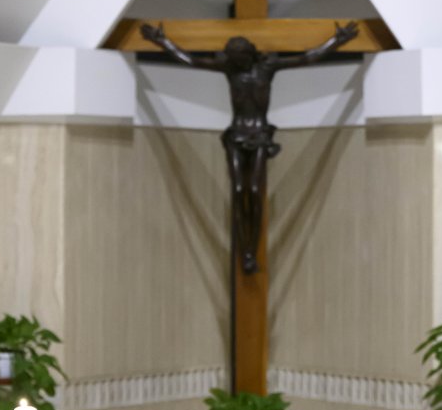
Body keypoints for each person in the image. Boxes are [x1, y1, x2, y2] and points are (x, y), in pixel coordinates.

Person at [141, 21, 359, 273]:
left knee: (254, 190)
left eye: (239, 59)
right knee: (237, 190)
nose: (236, 63)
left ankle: (250, 251)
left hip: (260, 135)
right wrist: (162, 41)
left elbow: (307, 58)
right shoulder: (230, 70)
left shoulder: (267, 68)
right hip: (236, 135)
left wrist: (337, 41)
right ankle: (245, 249)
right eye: (232, 59)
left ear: (249, 54)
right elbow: (192, 61)